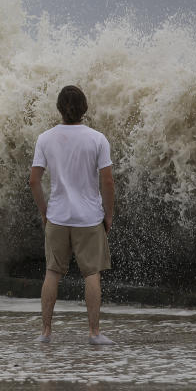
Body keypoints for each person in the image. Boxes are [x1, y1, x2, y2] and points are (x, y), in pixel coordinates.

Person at [28, 85, 115, 345]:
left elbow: (34, 181)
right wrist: (108, 215)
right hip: (88, 217)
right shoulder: (97, 139)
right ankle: (94, 333)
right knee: (91, 274)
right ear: (84, 108)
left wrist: (45, 212)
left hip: (57, 216)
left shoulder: (45, 138)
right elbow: (108, 182)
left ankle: (45, 332)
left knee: (52, 273)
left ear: (59, 108)